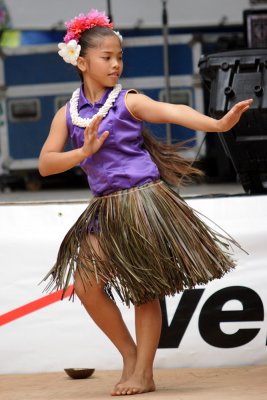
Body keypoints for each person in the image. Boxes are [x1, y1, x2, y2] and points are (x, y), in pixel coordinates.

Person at [39, 9, 252, 397]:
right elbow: (46, 163)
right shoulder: (66, 115)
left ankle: (144, 372)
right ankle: (131, 356)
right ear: (82, 62)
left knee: (143, 288)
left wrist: (218, 125)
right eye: (108, 58)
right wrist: (81, 153)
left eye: (120, 57)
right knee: (87, 285)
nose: (117, 64)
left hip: (142, 204)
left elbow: (176, 112)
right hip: (105, 209)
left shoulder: (128, 103)